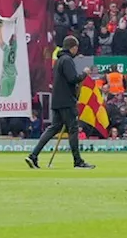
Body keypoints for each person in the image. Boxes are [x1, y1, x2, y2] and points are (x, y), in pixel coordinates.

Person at [26, 36, 94, 170]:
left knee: (53, 128)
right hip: (67, 101)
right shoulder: (67, 60)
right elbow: (72, 79)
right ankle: (78, 161)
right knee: (73, 129)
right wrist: (84, 74)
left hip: (57, 100)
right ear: (73, 47)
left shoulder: (59, 60)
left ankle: (33, 155)